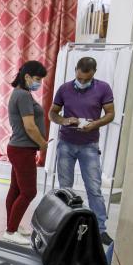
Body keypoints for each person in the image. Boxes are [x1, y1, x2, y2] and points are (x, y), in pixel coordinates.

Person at [48, 57, 115, 245]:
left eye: (86, 79)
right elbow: (52, 113)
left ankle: (101, 230)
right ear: (76, 70)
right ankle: (64, 224)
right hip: (66, 143)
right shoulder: (64, 89)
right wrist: (64, 121)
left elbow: (110, 114)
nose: (82, 82)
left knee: (94, 189)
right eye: (80, 78)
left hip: (89, 145)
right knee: (65, 188)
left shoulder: (103, 88)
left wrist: (95, 124)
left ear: (94, 72)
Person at [3, 60, 49, 246]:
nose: (39, 82)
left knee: (16, 189)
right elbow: (30, 126)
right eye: (37, 79)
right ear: (27, 76)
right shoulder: (22, 95)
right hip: (22, 149)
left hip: (20, 148)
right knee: (29, 192)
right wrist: (42, 144)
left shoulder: (22, 93)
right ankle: (11, 230)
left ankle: (11, 226)